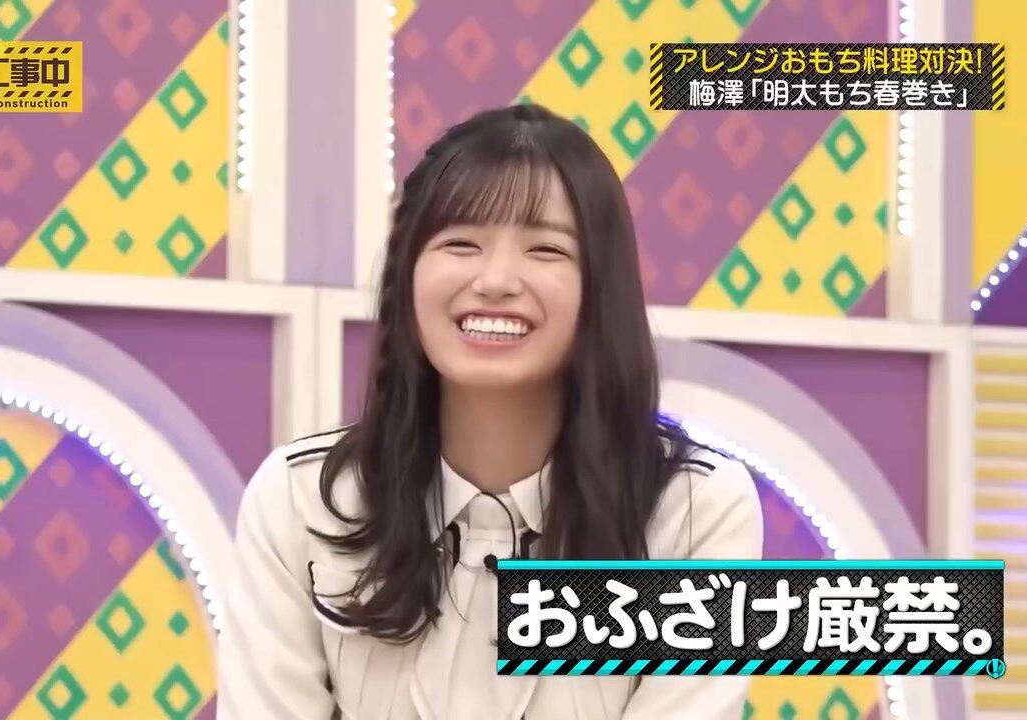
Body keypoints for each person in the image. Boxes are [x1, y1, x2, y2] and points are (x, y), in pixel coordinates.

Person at [219, 103, 763, 719]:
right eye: (461, 243)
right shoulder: (302, 500)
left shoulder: (694, 510)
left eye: (546, 249)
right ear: (406, 275)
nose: (497, 279)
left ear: (601, 288)